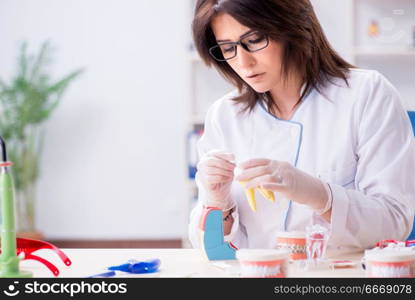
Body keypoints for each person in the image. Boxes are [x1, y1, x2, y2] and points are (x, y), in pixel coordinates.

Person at [188, 0, 415, 254]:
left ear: (292, 26)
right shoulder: (225, 114)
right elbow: (211, 249)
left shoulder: (366, 94)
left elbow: (395, 222)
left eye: (254, 40)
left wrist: (320, 195)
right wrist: (217, 203)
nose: (243, 62)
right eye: (227, 48)